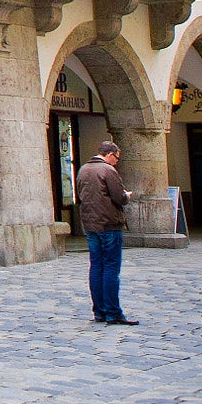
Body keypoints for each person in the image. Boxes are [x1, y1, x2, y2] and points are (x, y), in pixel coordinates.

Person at [75, 140, 138, 326]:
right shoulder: (108, 171)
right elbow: (119, 197)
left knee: (96, 266)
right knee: (111, 267)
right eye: (116, 158)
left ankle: (99, 311)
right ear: (109, 154)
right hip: (109, 223)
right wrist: (127, 196)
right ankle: (113, 312)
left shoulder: (83, 170)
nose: (117, 162)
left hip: (90, 224)